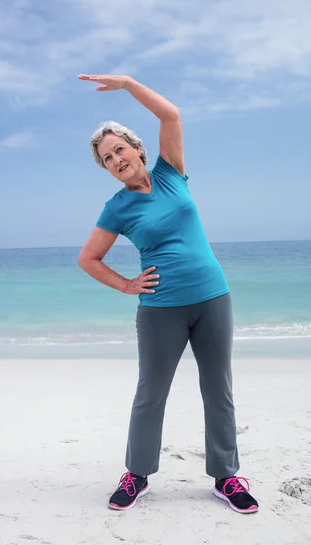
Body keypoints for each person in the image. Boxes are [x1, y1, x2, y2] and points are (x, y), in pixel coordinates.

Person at [77, 73, 259, 515]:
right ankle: (136, 475)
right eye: (107, 158)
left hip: (213, 298)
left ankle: (226, 477)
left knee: (218, 390)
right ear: (107, 169)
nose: (116, 158)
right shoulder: (116, 208)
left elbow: (170, 114)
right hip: (161, 309)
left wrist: (127, 84)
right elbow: (89, 258)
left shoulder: (171, 172)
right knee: (151, 393)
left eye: (120, 148)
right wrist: (126, 285)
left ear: (137, 148)